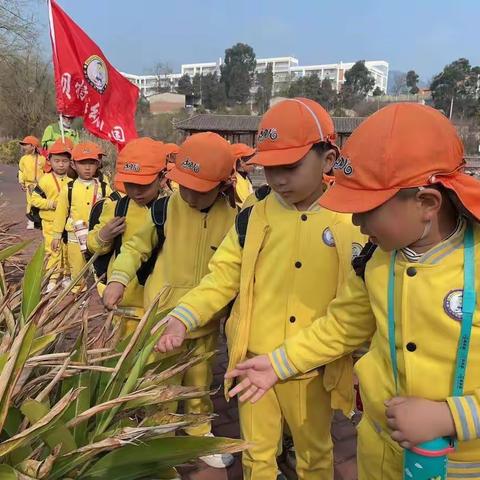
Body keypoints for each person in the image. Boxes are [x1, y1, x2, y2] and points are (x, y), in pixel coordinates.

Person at [226, 103, 480, 480]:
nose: (357, 224)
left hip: (460, 465)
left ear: (427, 203)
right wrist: (279, 363)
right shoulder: (378, 261)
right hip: (379, 452)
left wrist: (452, 416)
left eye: (366, 209)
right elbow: (343, 325)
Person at [154, 98, 365, 480]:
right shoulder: (254, 215)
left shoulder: (352, 221)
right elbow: (221, 277)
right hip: (252, 361)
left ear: (329, 159)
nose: (279, 178)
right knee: (255, 455)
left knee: (316, 455)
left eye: (291, 166)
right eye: (270, 168)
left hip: (311, 367)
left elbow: (356, 307)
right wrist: (182, 316)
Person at [102, 132, 238, 469]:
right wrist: (118, 279)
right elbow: (135, 248)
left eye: (199, 187)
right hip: (160, 320)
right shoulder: (164, 208)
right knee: (159, 382)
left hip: (204, 324)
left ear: (222, 185)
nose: (188, 194)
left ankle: (199, 434)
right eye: (183, 183)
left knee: (199, 382)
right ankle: (158, 438)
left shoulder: (236, 218)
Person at [87, 137, 168, 336]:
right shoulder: (117, 207)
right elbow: (93, 246)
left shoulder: (172, 209)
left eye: (144, 185)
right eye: (130, 185)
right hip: (124, 303)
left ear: (162, 178)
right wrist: (103, 236)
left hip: (160, 304)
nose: (136, 191)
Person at [51, 142, 111, 292]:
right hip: (74, 236)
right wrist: (56, 235)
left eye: (92, 163)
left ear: (98, 164)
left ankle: (104, 294)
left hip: (97, 234)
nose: (87, 167)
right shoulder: (69, 188)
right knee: (77, 268)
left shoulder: (104, 187)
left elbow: (113, 205)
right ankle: (78, 293)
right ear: (73, 164)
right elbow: (61, 212)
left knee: (100, 267)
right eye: (83, 163)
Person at [31, 138, 73, 291]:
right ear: (49, 161)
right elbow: (35, 200)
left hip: (67, 224)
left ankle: (67, 276)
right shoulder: (45, 180)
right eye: (57, 161)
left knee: (68, 251)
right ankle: (53, 278)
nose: (61, 164)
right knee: (53, 250)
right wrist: (51, 204)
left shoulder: (72, 181)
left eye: (64, 161)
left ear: (70, 162)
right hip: (49, 222)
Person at [18, 135, 46, 229]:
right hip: (29, 184)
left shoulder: (42, 159)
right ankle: (30, 220)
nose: (24, 147)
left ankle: (40, 220)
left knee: (40, 201)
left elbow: (46, 171)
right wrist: (21, 182)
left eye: (26, 145)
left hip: (41, 185)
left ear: (33, 146)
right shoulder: (23, 159)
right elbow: (21, 171)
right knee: (30, 202)